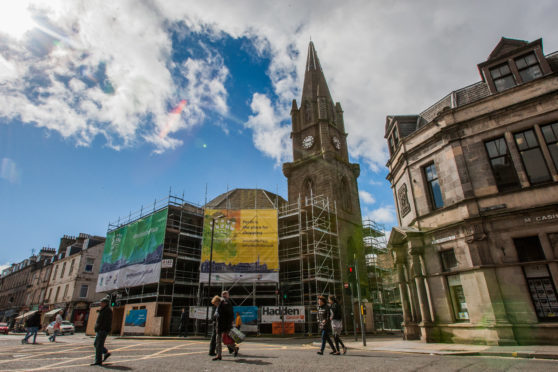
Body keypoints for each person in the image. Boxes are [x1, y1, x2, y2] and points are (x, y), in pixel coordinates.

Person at [91, 297, 112, 366]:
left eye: (102, 302)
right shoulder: (103, 310)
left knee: (99, 345)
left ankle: (98, 361)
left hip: (102, 330)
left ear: (105, 303)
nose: (100, 303)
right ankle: (105, 352)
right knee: (96, 344)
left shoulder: (107, 310)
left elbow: (106, 322)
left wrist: (102, 329)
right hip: (100, 330)